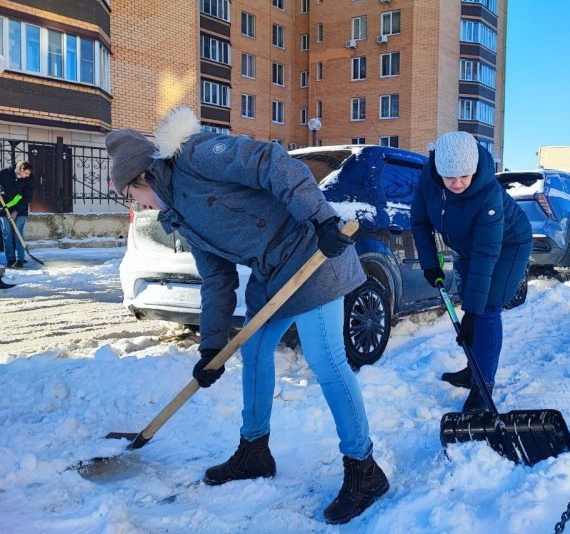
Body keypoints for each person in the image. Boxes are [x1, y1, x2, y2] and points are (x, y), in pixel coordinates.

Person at [105, 106, 389, 524]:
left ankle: (364, 470)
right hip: (272, 275)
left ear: (140, 177)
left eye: (130, 195)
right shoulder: (177, 216)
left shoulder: (196, 155)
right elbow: (217, 280)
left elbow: (271, 161)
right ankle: (254, 451)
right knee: (253, 352)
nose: (137, 205)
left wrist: (322, 219)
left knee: (327, 361)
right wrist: (212, 347)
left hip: (313, 252)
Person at [411, 131, 532, 411]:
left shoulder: (487, 193)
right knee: (470, 299)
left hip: (508, 245)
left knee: (486, 308)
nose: (457, 183)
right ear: (438, 170)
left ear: (474, 168)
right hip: (468, 246)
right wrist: (430, 264)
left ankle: (482, 387)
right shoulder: (428, 181)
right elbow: (419, 222)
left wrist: (473, 315)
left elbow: (486, 254)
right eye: (449, 177)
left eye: (463, 176)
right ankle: (473, 369)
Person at [0, 160, 34, 269]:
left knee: (18, 233)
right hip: (4, 208)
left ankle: (20, 259)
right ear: (19, 170)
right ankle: (10, 259)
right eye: (26, 173)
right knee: (7, 234)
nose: (28, 176)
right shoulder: (4, 173)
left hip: (21, 209)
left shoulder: (30, 179)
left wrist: (16, 211)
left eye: (29, 173)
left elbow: (27, 197)